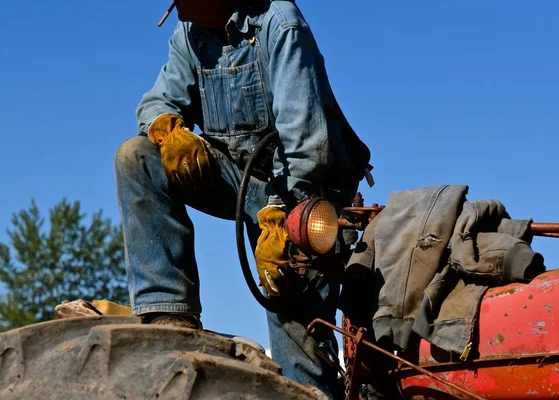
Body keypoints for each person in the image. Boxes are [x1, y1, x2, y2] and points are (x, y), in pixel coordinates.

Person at [114, 0, 371, 397]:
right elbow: (156, 101)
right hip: (240, 180)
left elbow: (305, 146)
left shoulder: (280, 24)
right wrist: (167, 129)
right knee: (138, 157)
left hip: (304, 195)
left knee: (299, 358)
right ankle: (167, 313)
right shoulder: (190, 34)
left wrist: (280, 217)